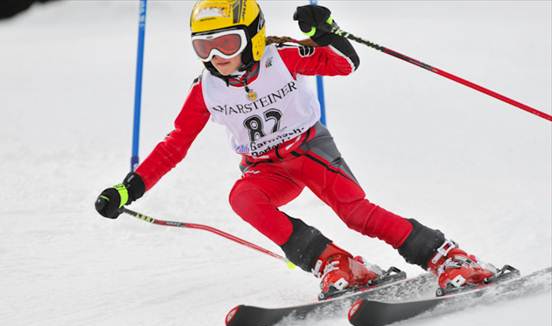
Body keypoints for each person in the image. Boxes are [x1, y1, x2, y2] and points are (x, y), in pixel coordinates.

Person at [96, 0, 497, 299]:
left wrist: (327, 33)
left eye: (227, 43)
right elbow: (174, 146)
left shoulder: (282, 57)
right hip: (265, 169)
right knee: (243, 198)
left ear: (253, 37)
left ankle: (448, 256)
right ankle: (337, 263)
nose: (217, 58)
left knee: (355, 213)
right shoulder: (206, 90)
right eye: (204, 48)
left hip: (309, 151)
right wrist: (128, 188)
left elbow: (343, 64)